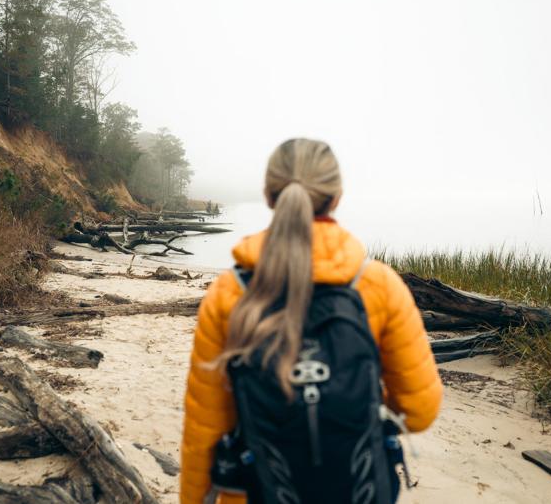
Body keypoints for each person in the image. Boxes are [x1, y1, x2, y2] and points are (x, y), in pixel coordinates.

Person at [180, 138, 442, 504]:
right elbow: (419, 412)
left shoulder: (230, 293)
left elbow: (204, 431)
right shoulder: (378, 285)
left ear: (270, 196)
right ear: (336, 197)